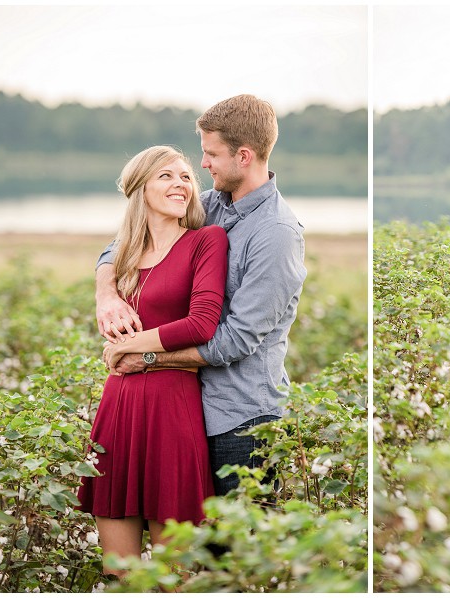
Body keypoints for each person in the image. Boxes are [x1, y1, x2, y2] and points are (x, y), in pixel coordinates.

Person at [94, 94, 307, 498]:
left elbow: (237, 339)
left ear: (243, 156)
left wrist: (147, 357)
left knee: (238, 552)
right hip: (188, 412)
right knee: (196, 549)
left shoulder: (276, 233)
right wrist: (108, 295)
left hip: (243, 421)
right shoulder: (208, 206)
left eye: (210, 154)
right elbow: (122, 244)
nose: (203, 164)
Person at [77, 145, 229, 577]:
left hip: (172, 410)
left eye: (185, 176)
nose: (181, 183)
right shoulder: (120, 254)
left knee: (171, 578)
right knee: (118, 575)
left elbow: (201, 325)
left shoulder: (205, 241)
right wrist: (105, 294)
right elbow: (109, 288)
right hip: (119, 408)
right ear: (139, 188)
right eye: (166, 176)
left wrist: (129, 347)